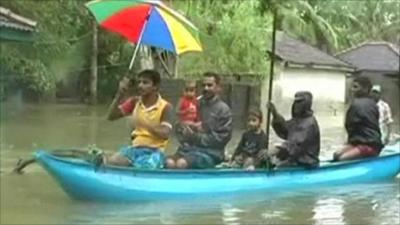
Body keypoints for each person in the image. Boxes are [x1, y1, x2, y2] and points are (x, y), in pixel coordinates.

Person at [105, 69, 174, 169]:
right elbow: (111, 116)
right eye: (139, 82)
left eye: (145, 82)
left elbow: (165, 134)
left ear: (155, 87)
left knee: (145, 166)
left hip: (155, 151)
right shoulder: (134, 102)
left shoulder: (166, 107)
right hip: (135, 148)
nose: (140, 86)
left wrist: (144, 123)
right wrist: (119, 94)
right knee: (112, 161)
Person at [166, 72, 233, 169]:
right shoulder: (195, 104)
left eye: (209, 85)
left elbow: (221, 139)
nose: (205, 88)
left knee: (181, 164)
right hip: (188, 149)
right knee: (169, 163)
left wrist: (194, 136)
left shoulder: (223, 110)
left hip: (211, 153)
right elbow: (181, 132)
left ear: (218, 87)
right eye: (203, 85)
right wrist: (182, 127)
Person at [333, 76, 383, 161]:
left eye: (355, 87)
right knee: (337, 154)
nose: (352, 90)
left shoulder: (357, 105)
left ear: (365, 89)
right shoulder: (373, 104)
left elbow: (350, 125)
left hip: (369, 145)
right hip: (363, 142)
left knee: (341, 158)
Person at [268, 91, 320, 168]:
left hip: (305, 163)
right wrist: (275, 114)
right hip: (294, 158)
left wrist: (277, 149)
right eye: (295, 102)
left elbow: (296, 144)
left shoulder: (309, 123)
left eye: (299, 102)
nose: (296, 105)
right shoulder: (297, 120)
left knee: (278, 166)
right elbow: (284, 131)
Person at [175, 80, 201, 146]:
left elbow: (198, 111)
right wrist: (185, 111)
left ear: (195, 91)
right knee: (186, 130)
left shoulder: (196, 100)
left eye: (191, 90)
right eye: (186, 91)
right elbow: (177, 112)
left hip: (194, 122)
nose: (189, 93)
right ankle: (186, 142)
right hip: (185, 122)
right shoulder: (182, 100)